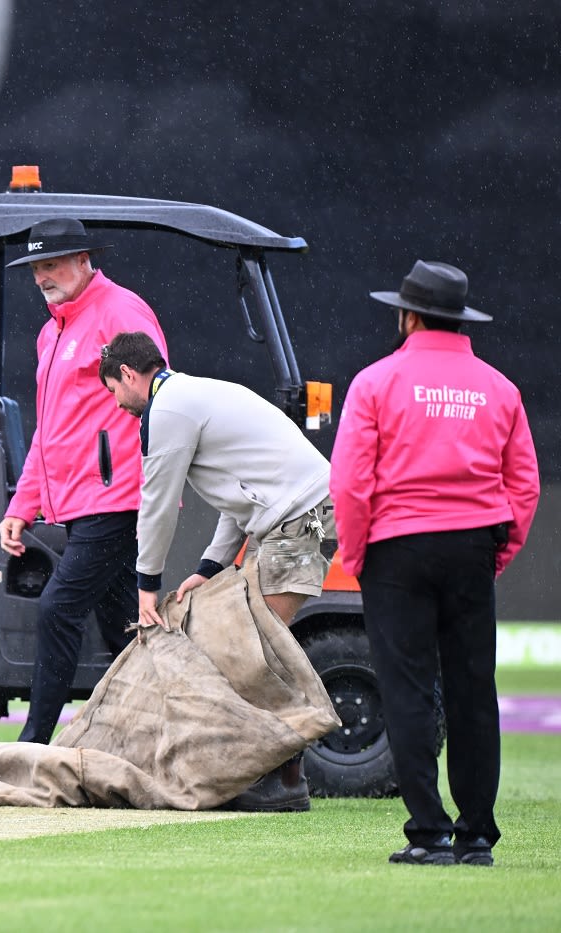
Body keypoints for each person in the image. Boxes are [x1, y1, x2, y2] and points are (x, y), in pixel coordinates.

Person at [330, 261, 538, 866]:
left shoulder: (375, 382)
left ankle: (429, 833)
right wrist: (500, 549)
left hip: (396, 548)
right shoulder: (499, 388)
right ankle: (477, 835)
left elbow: (351, 481)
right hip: (472, 545)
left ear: (409, 315)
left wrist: (357, 551)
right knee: (474, 691)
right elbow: (522, 485)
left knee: (409, 690)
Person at [98, 329, 335, 811]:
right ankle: (279, 775)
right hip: (298, 516)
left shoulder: (166, 412)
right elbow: (238, 494)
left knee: (257, 651)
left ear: (127, 374)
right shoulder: (198, 394)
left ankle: (282, 781)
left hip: (298, 521)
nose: (117, 404)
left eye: (113, 391)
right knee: (252, 644)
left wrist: (147, 587)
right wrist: (210, 566)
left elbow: (158, 507)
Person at [0, 218, 168, 744]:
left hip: (115, 500)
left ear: (83, 260)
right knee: (126, 632)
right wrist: (22, 506)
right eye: (35, 268)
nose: (41, 276)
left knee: (58, 608)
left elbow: (160, 398)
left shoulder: (119, 311)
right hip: (82, 503)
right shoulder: (52, 331)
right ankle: (151, 740)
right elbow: (51, 430)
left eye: (50, 265)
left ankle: (34, 742)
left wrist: (151, 490)